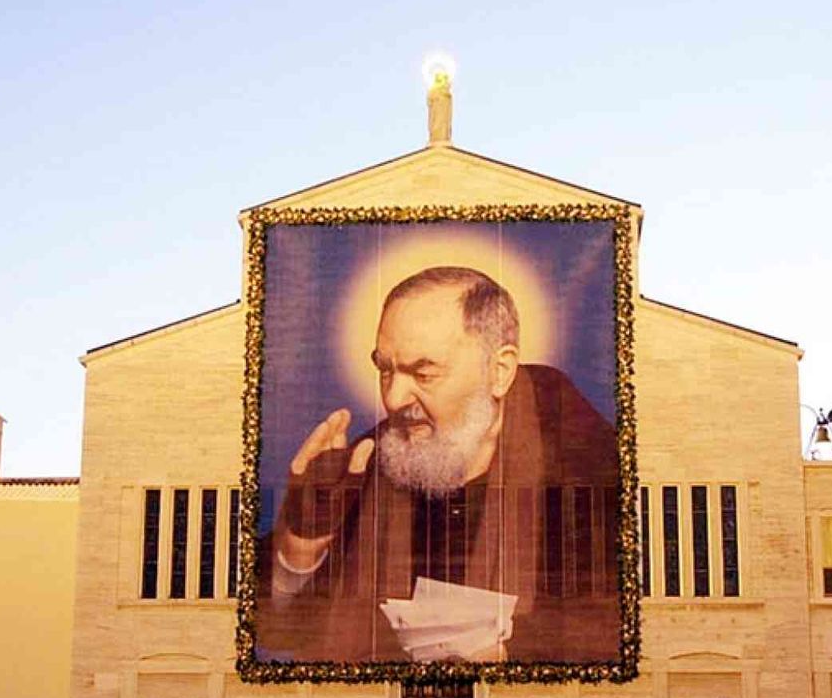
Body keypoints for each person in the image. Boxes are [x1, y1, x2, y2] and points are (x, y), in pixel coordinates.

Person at [258, 266, 621, 663]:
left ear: (498, 372)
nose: (394, 398)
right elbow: (279, 630)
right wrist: (303, 541)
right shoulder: (363, 464)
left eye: (423, 372)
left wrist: (506, 656)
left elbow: (617, 624)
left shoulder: (587, 461)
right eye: (385, 370)